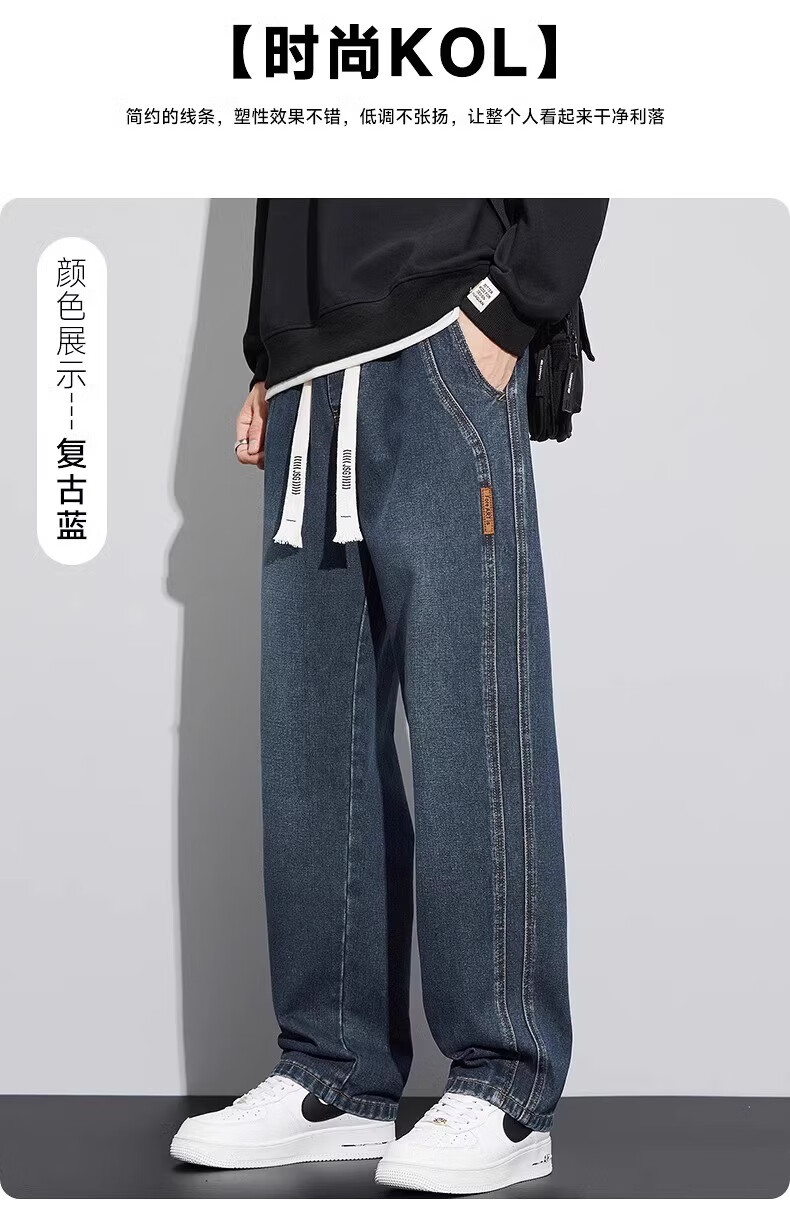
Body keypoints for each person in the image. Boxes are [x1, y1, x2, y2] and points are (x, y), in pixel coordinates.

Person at [171, 199, 608, 1195]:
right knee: (311, 736)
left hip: (442, 323)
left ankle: (506, 1080)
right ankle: (333, 1073)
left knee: (472, 719)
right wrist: (272, 348)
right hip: (311, 362)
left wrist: (516, 304)